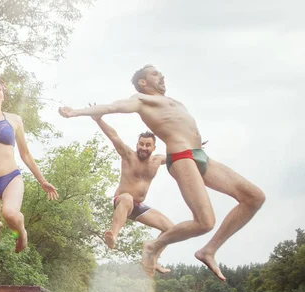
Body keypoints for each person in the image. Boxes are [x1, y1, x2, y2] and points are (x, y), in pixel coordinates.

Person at [58, 65, 265, 280]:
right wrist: (77, 113)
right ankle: (150, 246)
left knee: (254, 197)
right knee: (205, 222)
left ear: (153, 148)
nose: (162, 76)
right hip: (180, 157)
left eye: (161, 73)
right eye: (155, 73)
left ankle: (208, 250)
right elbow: (114, 108)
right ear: (143, 82)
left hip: (199, 154)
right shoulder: (141, 100)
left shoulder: (174, 107)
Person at [0, 78, 59, 253]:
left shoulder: (14, 120)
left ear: (2, 96)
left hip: (11, 178)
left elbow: (25, 154)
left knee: (10, 213)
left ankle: (20, 232)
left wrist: (42, 180)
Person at [90, 111, 173, 274]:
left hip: (139, 207)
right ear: (137, 144)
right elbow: (114, 136)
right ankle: (113, 236)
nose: (143, 147)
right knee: (127, 198)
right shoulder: (128, 155)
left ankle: (152, 260)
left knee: (171, 228)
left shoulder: (157, 160)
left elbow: (176, 155)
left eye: (147, 145)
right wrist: (99, 119)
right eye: (141, 144)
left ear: (154, 147)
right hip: (122, 201)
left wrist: (192, 149)